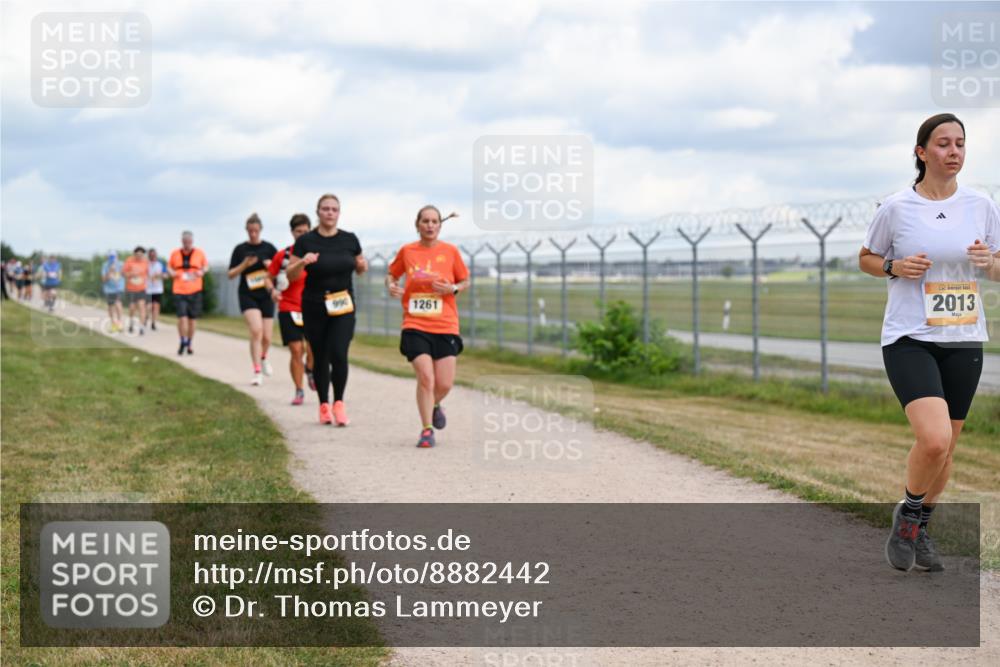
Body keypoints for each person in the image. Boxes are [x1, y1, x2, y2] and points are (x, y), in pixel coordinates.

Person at [859, 112, 1000, 572]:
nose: (953, 151)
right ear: (922, 152)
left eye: (960, 143)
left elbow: (998, 266)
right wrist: (893, 268)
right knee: (934, 440)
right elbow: (866, 258)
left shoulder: (981, 205)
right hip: (909, 336)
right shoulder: (897, 207)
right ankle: (908, 517)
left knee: (948, 450)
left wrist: (989, 263)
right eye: (943, 143)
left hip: (963, 337)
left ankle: (919, 528)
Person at [387, 206, 467, 448]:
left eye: (434, 221)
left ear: (440, 225)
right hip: (415, 323)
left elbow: (464, 280)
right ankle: (426, 429)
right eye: (425, 221)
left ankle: (434, 404)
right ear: (418, 224)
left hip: (445, 324)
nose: (430, 225)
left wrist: (453, 289)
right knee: (426, 378)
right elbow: (392, 274)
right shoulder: (408, 251)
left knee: (444, 384)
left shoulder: (450, 252)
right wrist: (391, 285)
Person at [287, 194, 367, 425]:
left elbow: (360, 267)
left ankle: (339, 404)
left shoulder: (350, 240)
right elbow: (290, 275)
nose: (330, 213)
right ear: (318, 212)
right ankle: (323, 404)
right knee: (320, 355)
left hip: (343, 303)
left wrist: (362, 266)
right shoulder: (306, 242)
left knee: (339, 353)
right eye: (325, 209)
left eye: (334, 209)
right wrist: (303, 262)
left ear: (339, 213)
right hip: (314, 304)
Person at [268, 213, 316, 404]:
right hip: (288, 307)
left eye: (306, 231)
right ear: (292, 232)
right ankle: (299, 390)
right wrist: (272, 290)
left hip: (311, 307)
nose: (302, 235)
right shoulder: (283, 256)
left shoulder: (316, 254)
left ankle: (310, 369)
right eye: (298, 232)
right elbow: (267, 277)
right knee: (296, 350)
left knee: (312, 350)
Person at [228, 213, 279, 386]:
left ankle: (263, 357)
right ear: (246, 230)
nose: (253, 234)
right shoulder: (240, 249)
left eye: (256, 231)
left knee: (267, 337)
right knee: (256, 331)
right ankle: (257, 370)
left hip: (266, 294)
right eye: (250, 231)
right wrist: (245, 265)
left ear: (260, 230)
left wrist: (269, 266)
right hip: (247, 294)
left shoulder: (269, 248)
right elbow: (230, 274)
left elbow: (280, 271)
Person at [168, 231, 209, 355]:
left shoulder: (199, 253)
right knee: (182, 318)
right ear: (182, 241)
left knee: (192, 319)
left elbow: (206, 266)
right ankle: (182, 340)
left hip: (195, 290)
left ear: (192, 241)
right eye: (185, 241)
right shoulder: (175, 253)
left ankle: (190, 342)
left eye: (189, 241)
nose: (187, 244)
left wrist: (202, 272)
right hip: (179, 290)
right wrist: (172, 273)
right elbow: (169, 267)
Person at [122, 246, 149, 335]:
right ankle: (131, 324)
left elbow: (148, 274)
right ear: (134, 254)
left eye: (141, 255)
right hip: (131, 288)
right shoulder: (129, 261)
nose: (139, 256)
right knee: (132, 308)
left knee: (142, 307)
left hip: (141, 288)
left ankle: (141, 328)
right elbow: (123, 273)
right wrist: (131, 274)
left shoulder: (145, 262)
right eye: (137, 254)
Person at [101, 251, 125, 333]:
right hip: (108, 289)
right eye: (110, 257)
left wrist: (116, 271)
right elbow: (104, 280)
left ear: (117, 257)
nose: (112, 259)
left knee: (118, 303)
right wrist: (110, 271)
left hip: (118, 288)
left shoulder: (121, 264)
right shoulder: (105, 265)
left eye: (114, 257)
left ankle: (120, 323)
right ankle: (113, 324)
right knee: (111, 306)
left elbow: (123, 275)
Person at [145, 248, 166, 331]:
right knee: (148, 306)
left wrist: (159, 275)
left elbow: (165, 275)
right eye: (151, 254)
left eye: (154, 254)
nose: (153, 256)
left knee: (156, 306)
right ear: (149, 255)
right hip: (148, 288)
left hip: (158, 289)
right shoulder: (146, 264)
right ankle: (146, 317)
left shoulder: (160, 264)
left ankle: (153, 323)